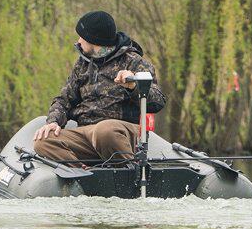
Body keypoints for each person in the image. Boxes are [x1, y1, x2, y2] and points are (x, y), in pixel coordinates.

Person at [33, 10, 166, 162]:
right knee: (43, 140)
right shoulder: (82, 64)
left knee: (105, 130)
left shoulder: (134, 62)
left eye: (82, 37)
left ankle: (128, 174)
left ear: (93, 39)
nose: (79, 41)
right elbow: (63, 100)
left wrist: (134, 86)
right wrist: (53, 122)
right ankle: (82, 177)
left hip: (120, 132)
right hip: (86, 133)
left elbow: (158, 102)